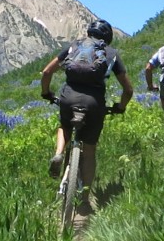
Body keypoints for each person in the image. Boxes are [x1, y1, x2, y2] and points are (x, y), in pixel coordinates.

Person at [40, 18, 134, 193]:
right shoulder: (111, 53)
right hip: (94, 103)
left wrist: (46, 92)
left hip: (69, 98)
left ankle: (59, 152)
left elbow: (46, 72)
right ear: (108, 37)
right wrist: (120, 107)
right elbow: (128, 90)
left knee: (65, 126)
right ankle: (85, 196)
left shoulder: (73, 46)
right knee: (89, 151)